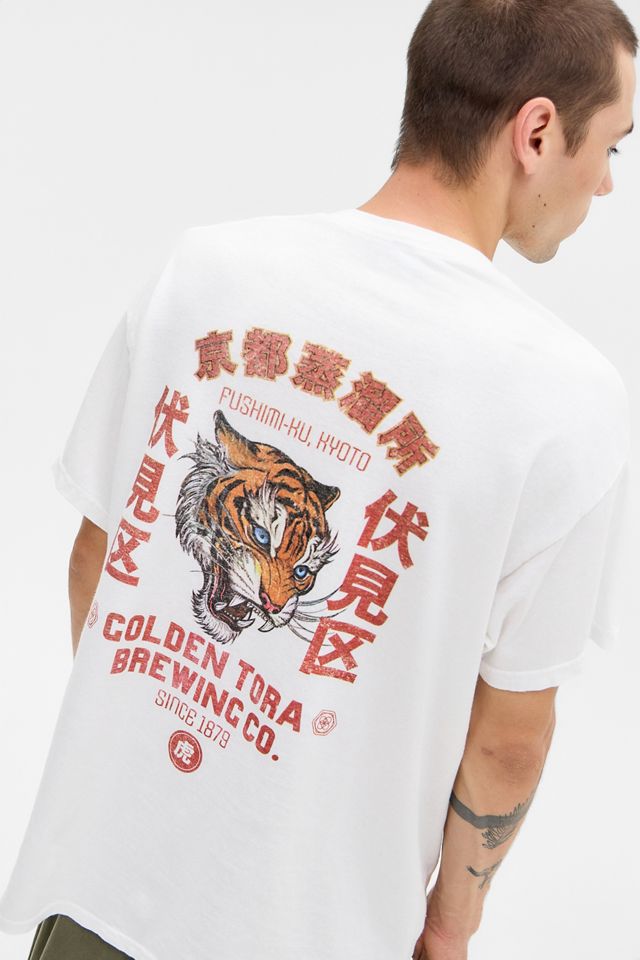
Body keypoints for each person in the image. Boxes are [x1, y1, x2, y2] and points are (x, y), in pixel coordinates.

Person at [0, 1, 636, 959]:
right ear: (537, 132)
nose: (609, 181)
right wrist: (449, 927)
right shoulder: (566, 399)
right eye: (613, 144)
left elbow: (101, 555)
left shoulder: (204, 270)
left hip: (104, 889)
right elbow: (509, 739)